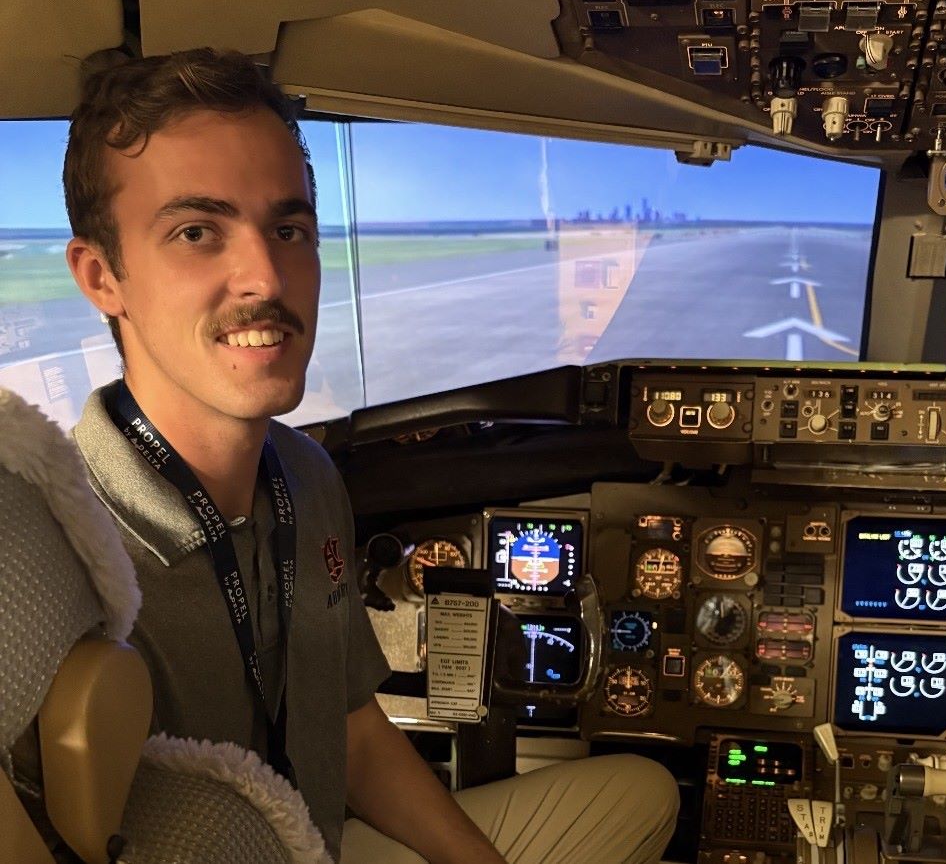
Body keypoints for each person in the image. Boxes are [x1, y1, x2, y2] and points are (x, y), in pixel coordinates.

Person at [63, 48, 678, 864]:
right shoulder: (66, 554)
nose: (264, 274)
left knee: (644, 792)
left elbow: (349, 730)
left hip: (319, 841)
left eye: (288, 228)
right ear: (102, 276)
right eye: (196, 232)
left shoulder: (305, 478)